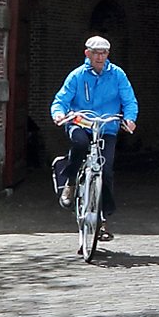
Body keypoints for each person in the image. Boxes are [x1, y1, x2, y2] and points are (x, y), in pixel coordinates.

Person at [50, 36, 139, 239]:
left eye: (104, 53)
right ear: (87, 54)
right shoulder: (77, 76)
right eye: (96, 53)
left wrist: (130, 118)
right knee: (80, 143)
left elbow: (129, 100)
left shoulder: (117, 75)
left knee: (106, 170)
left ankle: (103, 219)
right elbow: (61, 100)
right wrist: (59, 114)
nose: (100, 57)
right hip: (81, 123)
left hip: (106, 126)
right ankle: (70, 182)